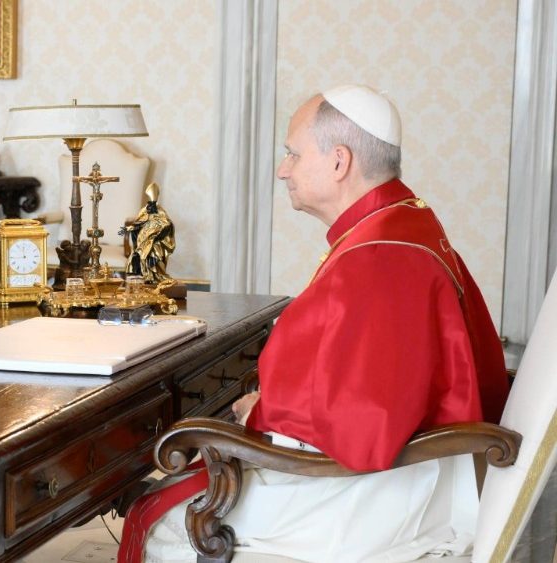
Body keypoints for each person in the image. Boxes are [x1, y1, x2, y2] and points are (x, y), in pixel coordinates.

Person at [117, 85, 510, 562]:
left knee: (164, 522)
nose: (283, 169)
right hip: (406, 471)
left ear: (339, 162)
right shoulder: (398, 222)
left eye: (293, 154)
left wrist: (262, 412)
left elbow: (367, 419)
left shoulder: (380, 257)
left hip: (381, 495)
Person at [121, 182, 175, 283]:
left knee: (154, 250)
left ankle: (155, 275)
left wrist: (158, 230)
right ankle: (145, 274)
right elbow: (138, 222)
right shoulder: (144, 210)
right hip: (143, 237)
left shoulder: (161, 210)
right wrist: (131, 228)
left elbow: (167, 223)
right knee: (140, 252)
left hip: (156, 239)